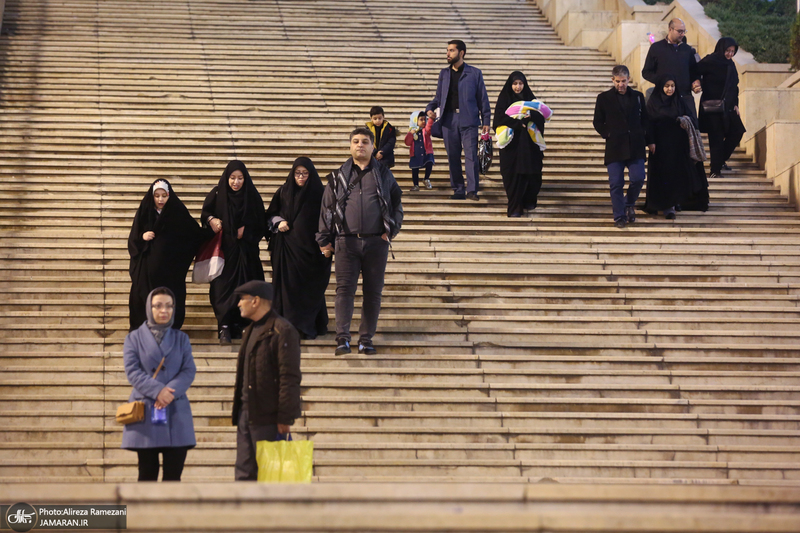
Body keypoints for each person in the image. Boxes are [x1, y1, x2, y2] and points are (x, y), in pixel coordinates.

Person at [317, 127, 403, 356]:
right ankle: (342, 338)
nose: (360, 145)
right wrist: (325, 239)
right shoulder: (338, 177)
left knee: (373, 292)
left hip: (377, 242)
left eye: (365, 141)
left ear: (373, 146)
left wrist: (390, 230)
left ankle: (366, 339)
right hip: (346, 242)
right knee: (344, 291)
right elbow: (326, 209)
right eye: (355, 141)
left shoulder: (385, 174)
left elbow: (397, 206)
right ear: (350, 146)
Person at [122, 287, 197, 482]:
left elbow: (188, 370)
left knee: (174, 476)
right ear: (149, 308)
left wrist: (169, 392)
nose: (164, 311)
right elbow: (133, 371)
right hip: (146, 410)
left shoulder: (182, 339)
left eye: (169, 306)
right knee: (147, 474)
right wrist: (158, 392)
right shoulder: (133, 338)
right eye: (158, 306)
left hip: (176, 409)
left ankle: (171, 513)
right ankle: (146, 513)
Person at [231, 280, 301, 481]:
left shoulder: (282, 330)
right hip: (247, 412)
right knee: (244, 473)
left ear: (256, 301)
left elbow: (289, 376)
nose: (238, 304)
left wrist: (285, 416)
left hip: (269, 417)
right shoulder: (249, 331)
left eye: (242, 299)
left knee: (270, 475)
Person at [128, 179, 211, 330]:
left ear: (169, 195)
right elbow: (133, 239)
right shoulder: (145, 211)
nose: (160, 200)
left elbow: (194, 233)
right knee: (143, 297)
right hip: (147, 272)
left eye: (164, 196)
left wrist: (212, 231)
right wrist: (143, 237)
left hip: (170, 272)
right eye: (157, 196)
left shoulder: (177, 211)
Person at [264, 157, 332, 339]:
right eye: (297, 173)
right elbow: (270, 214)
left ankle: (307, 326)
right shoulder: (284, 192)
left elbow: (330, 220)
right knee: (287, 290)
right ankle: (287, 326)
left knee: (309, 290)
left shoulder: (321, 193)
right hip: (287, 251)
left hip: (312, 253)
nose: (301, 177)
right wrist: (278, 222)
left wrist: (327, 244)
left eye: (305, 173)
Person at [201, 160, 266, 344]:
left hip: (247, 255)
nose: (236, 182)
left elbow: (261, 223)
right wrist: (212, 219)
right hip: (224, 254)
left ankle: (245, 325)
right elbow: (205, 214)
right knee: (222, 290)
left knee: (248, 289)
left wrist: (247, 232)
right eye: (232, 178)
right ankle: (224, 326)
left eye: (240, 178)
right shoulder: (217, 193)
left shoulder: (252, 196)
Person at [425, 39, 491, 201]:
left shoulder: (474, 73)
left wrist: (486, 121)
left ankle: (472, 190)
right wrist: (429, 109)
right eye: (447, 50)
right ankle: (458, 189)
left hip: (468, 120)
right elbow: (438, 97)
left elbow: (483, 99)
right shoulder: (444, 74)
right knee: (453, 157)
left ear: (461, 53)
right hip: (449, 120)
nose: (447, 54)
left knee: (471, 156)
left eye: (451, 51)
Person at [593, 65, 652, 228]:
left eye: (624, 81)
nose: (621, 84)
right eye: (618, 81)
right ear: (613, 80)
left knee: (638, 178)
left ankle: (628, 203)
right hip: (615, 147)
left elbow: (646, 120)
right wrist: (608, 134)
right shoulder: (603, 98)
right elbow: (597, 121)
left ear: (628, 79)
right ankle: (619, 216)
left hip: (635, 145)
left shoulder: (638, 96)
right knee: (616, 183)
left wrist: (646, 137)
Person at [645, 75, 709, 218]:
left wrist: (685, 120)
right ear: (661, 86)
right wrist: (651, 141)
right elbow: (648, 123)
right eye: (667, 86)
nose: (670, 89)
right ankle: (663, 204)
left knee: (676, 175)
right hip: (660, 146)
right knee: (663, 174)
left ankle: (672, 205)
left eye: (672, 86)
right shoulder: (653, 102)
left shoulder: (679, 101)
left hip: (678, 145)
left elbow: (691, 117)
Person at [493, 71, 546, 218]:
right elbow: (497, 121)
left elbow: (541, 119)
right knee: (513, 176)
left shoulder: (530, 99)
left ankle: (527, 201)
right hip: (511, 149)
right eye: (515, 84)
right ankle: (515, 207)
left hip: (529, 147)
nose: (518, 87)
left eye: (520, 83)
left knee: (531, 175)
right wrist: (518, 123)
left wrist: (531, 116)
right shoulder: (504, 99)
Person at [698, 37, 746, 179]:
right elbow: (694, 71)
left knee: (738, 131)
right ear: (721, 48)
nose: (730, 54)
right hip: (713, 106)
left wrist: (736, 103)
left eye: (733, 51)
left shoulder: (730, 64)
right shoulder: (710, 61)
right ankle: (715, 170)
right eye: (728, 51)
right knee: (716, 137)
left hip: (729, 106)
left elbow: (734, 86)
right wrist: (697, 83)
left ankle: (719, 160)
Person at [642, 18, 702, 120]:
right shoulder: (656, 48)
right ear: (670, 29)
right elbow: (646, 72)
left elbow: (694, 72)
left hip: (685, 98)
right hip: (663, 100)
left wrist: (696, 81)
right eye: (680, 31)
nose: (682, 34)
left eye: (684, 31)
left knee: (691, 131)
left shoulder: (688, 50)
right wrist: (663, 82)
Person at [404, 111, 435, 191]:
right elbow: (407, 143)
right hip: (416, 154)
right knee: (415, 169)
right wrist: (410, 134)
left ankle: (426, 179)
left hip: (426, 152)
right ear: (415, 121)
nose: (424, 121)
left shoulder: (426, 131)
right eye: (421, 119)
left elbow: (429, 127)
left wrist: (431, 119)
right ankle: (416, 185)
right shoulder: (412, 131)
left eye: (425, 119)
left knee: (429, 162)